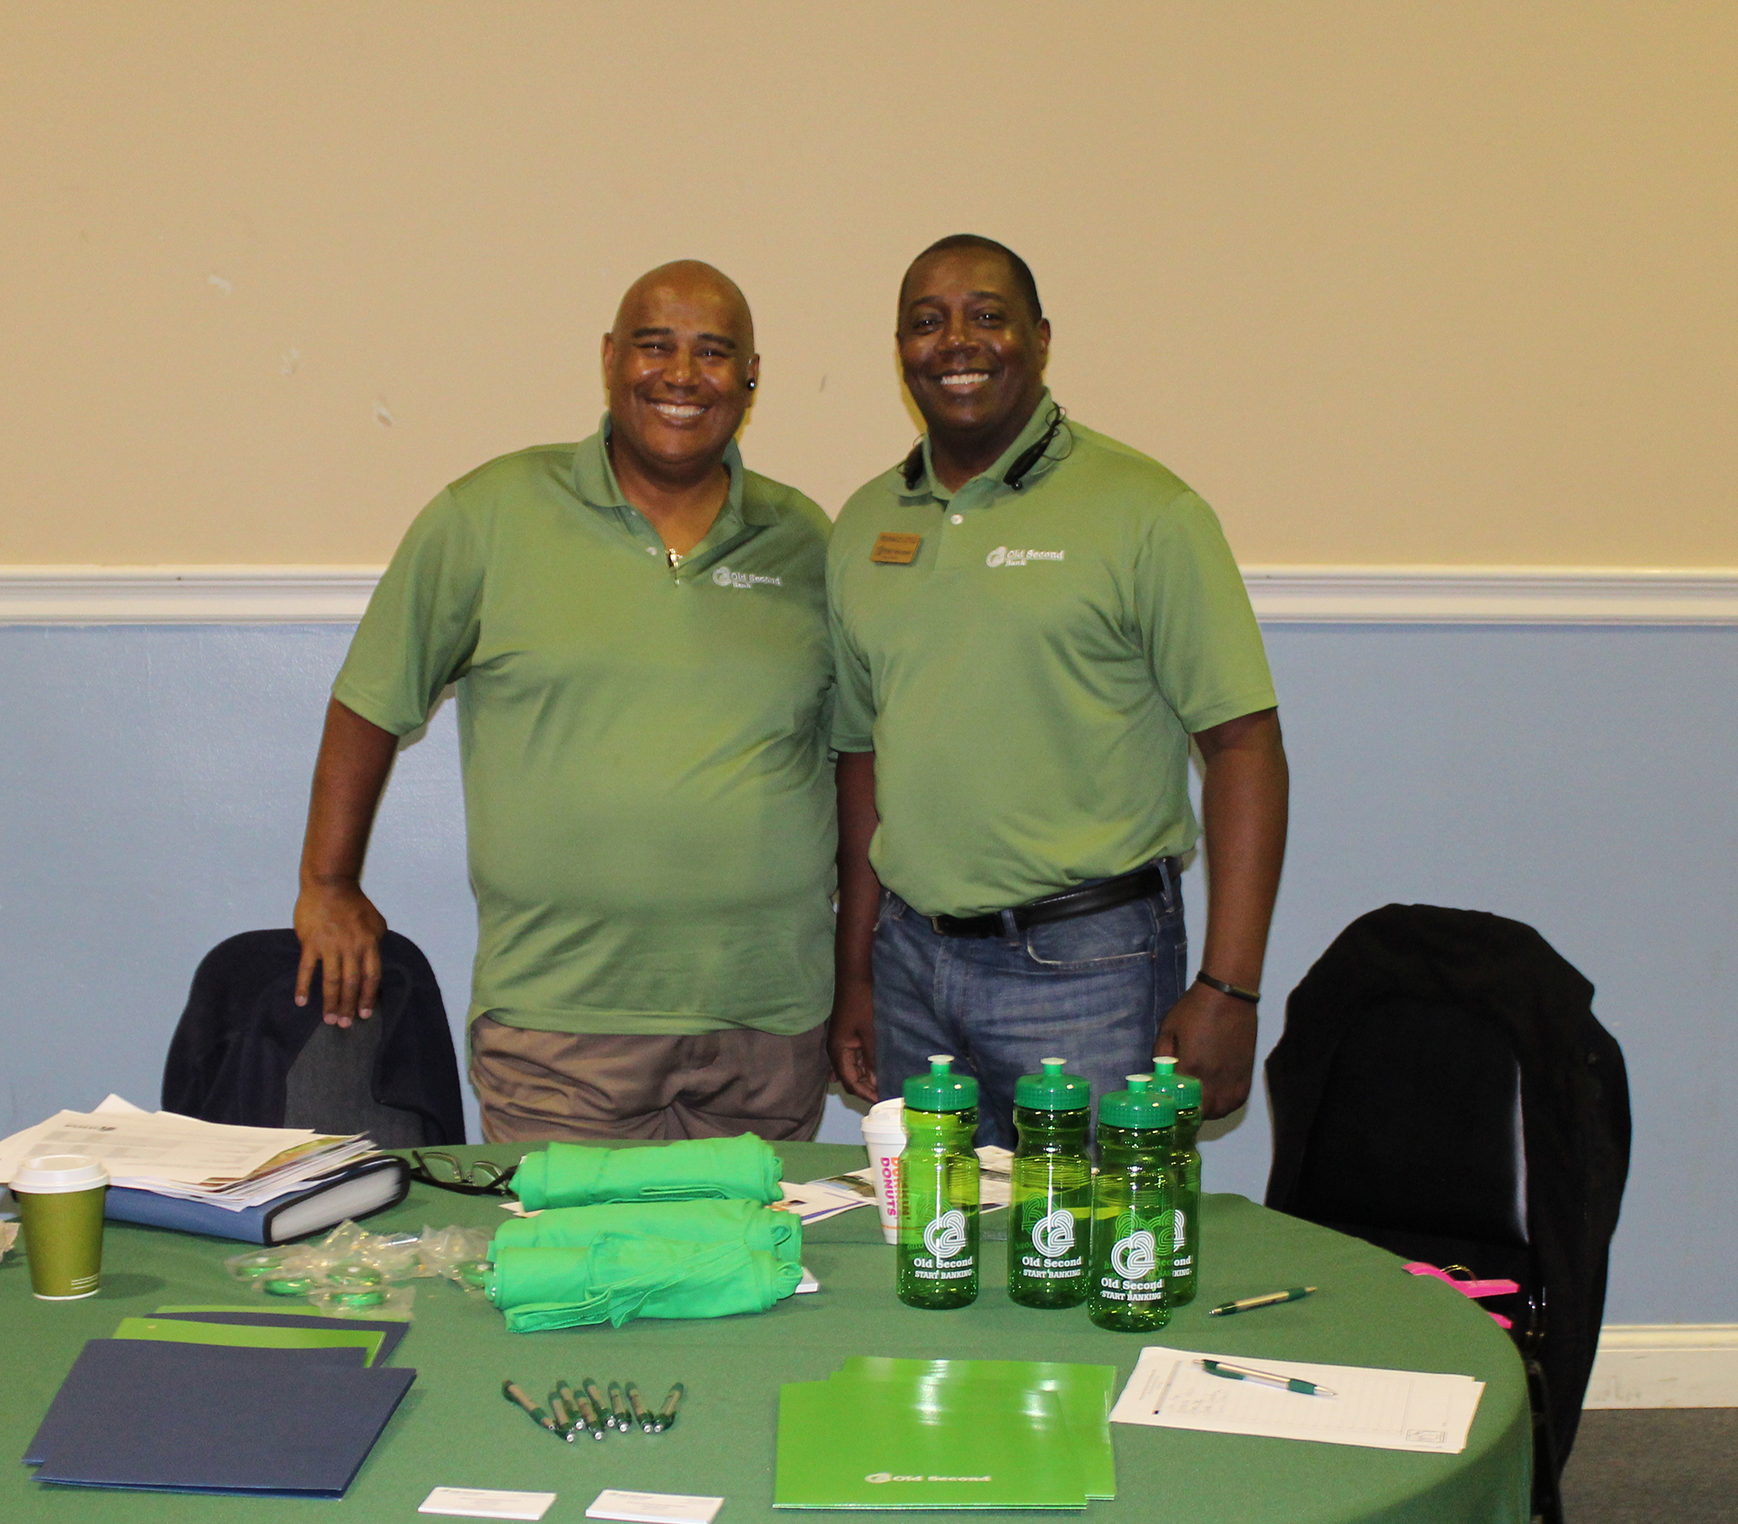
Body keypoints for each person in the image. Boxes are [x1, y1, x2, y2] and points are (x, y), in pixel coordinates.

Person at [292, 261, 839, 1142]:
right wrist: (328, 884)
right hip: (562, 1028)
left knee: (751, 1240)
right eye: (655, 346)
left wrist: (863, 971)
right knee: (567, 1242)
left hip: (767, 1026)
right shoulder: (490, 516)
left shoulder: (806, 540)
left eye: (712, 353)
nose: (682, 375)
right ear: (610, 357)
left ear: (750, 377)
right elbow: (370, 700)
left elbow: (854, 756)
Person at [825, 235, 1289, 1147]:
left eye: (987, 316)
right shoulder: (866, 525)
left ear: (1039, 339)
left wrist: (1230, 988)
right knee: (931, 1232)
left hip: (1091, 968)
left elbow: (1244, 747)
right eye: (927, 322)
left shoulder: (1147, 511)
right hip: (910, 968)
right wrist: (856, 973)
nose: (957, 342)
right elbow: (861, 758)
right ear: (901, 349)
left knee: (1095, 1233)